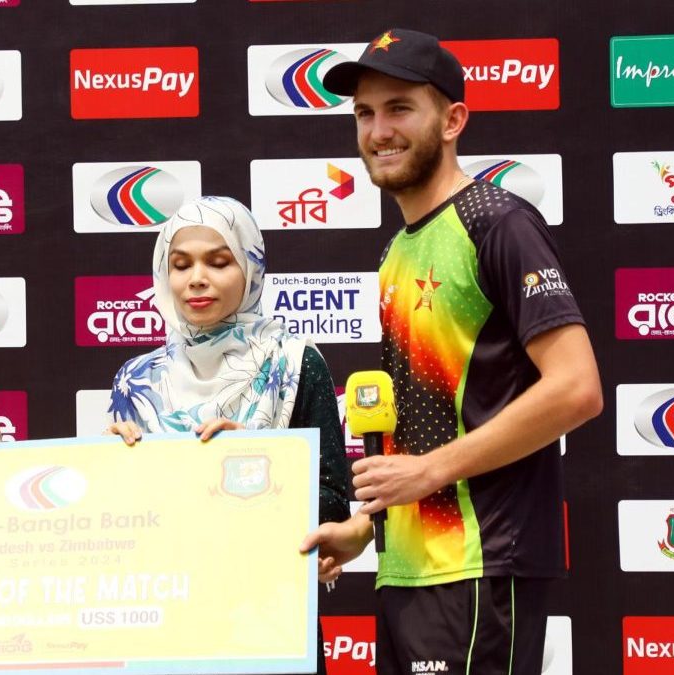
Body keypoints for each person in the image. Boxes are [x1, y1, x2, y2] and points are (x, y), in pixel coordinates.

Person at [299, 29, 603, 675]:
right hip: (408, 570)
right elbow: (426, 425)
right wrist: (362, 531)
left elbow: (577, 388)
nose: (378, 130)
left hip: (481, 564)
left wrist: (429, 471)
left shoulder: (499, 222)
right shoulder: (396, 251)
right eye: (364, 113)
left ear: (452, 120)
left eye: (400, 108)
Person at [106, 194, 350, 550]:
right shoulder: (137, 379)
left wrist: (260, 462)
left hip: (264, 576)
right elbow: (119, 516)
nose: (197, 279)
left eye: (219, 262)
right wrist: (106, 465)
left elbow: (334, 508)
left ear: (251, 268)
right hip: (161, 578)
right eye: (181, 265)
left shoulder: (294, 362)